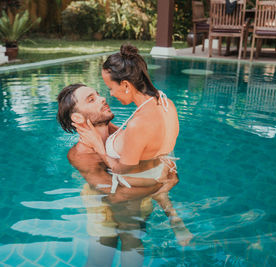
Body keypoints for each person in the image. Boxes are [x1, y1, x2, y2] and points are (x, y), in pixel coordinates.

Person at [57, 84, 193, 254]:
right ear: (77, 118)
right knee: (102, 255)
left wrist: (167, 176)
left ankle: (174, 220)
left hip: (137, 202)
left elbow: (158, 159)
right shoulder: (81, 155)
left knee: (134, 245)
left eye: (98, 94)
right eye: (91, 99)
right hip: (103, 209)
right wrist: (162, 184)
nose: (103, 98)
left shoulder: (120, 136)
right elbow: (115, 196)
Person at [73, 44, 179, 194]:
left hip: (143, 181)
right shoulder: (167, 104)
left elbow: (121, 170)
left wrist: (99, 148)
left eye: (110, 88)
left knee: (89, 192)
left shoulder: (138, 124)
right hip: (164, 168)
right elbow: (143, 140)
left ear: (125, 85)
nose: (110, 94)